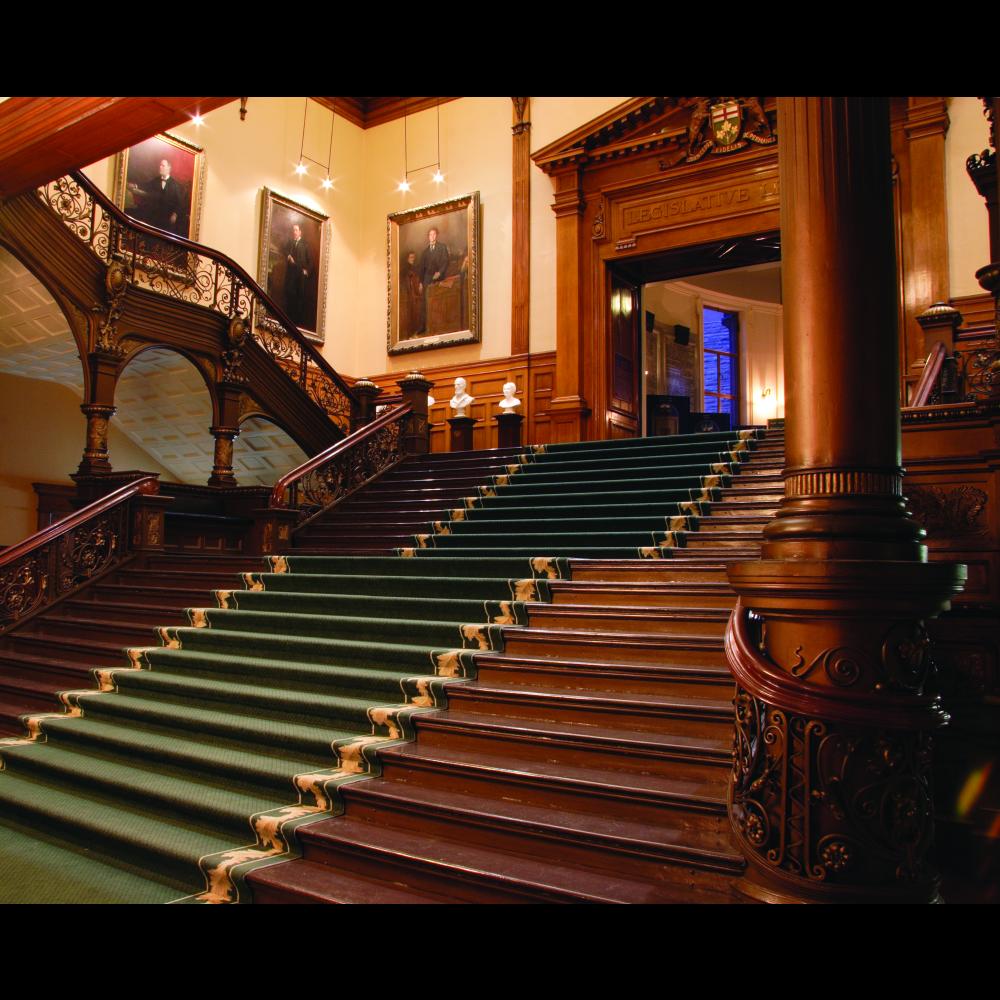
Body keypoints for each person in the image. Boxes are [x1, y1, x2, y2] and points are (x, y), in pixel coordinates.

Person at [130, 158, 185, 235]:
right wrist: (136, 185)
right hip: (155, 217)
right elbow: (146, 185)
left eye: (163, 165)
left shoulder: (175, 185)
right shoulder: (155, 180)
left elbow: (179, 203)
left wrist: (175, 214)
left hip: (168, 218)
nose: (160, 167)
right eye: (160, 165)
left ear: (169, 168)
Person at [416, 226, 450, 333]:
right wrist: (421, 282)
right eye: (430, 234)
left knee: (438, 301)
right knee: (425, 303)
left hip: (439, 278)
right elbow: (421, 268)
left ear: (437, 235)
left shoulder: (442, 247)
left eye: (434, 234)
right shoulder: (425, 252)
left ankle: (439, 325)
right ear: (428, 237)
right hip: (427, 280)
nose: (432, 236)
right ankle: (424, 326)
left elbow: (445, 262)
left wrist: (439, 272)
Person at [283, 223, 312, 327]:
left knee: (299, 299)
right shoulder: (290, 243)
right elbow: (284, 250)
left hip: (300, 276)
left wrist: (306, 271)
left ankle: (297, 323)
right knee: (290, 296)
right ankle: (288, 321)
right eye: (293, 230)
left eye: (296, 230)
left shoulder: (305, 245)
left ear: (300, 232)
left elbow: (310, 261)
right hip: (291, 275)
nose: (294, 232)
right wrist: (288, 256)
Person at [400, 250, 423, 338]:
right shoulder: (405, 269)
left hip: (416, 294)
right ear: (407, 258)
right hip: (409, 294)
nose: (412, 259)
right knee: (411, 314)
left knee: (417, 313)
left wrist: (420, 283)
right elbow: (406, 281)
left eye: (413, 257)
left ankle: (415, 332)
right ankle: (410, 333)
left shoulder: (415, 267)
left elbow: (418, 277)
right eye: (411, 257)